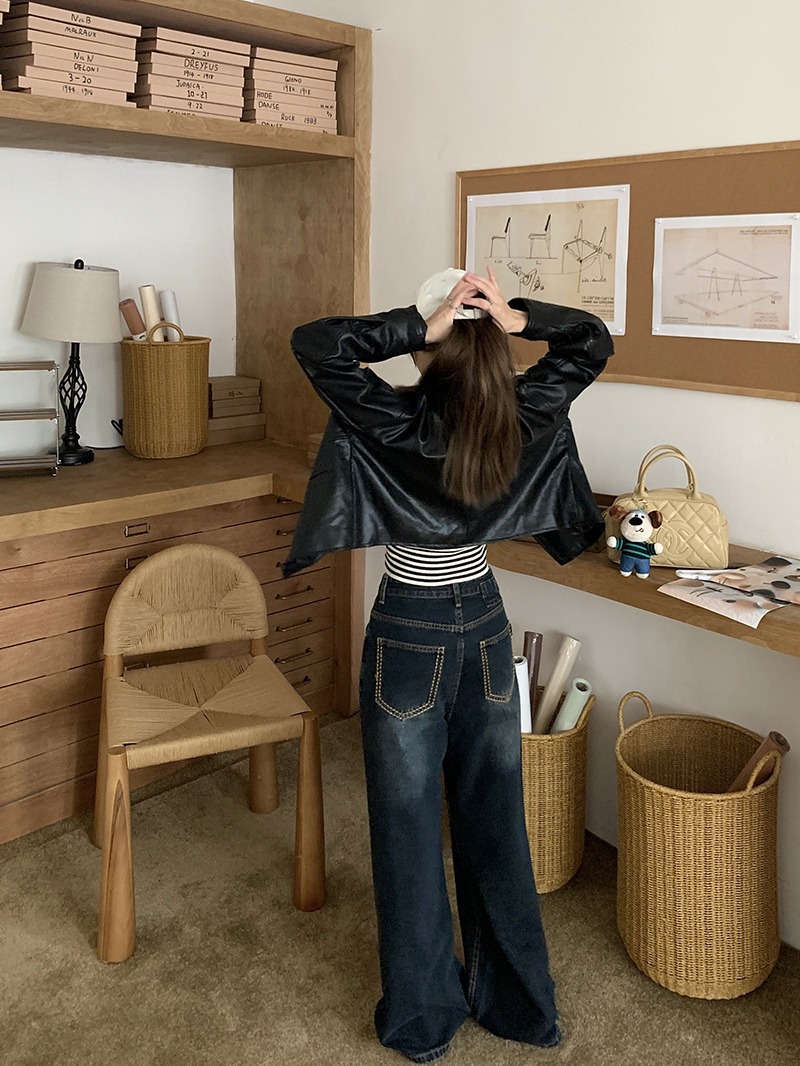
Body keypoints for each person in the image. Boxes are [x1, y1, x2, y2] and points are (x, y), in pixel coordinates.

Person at [285, 266, 613, 1063]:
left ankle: (424, 1020)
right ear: (492, 340)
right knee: (495, 819)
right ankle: (521, 1006)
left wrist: (415, 324)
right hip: (487, 628)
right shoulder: (521, 412)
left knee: (406, 830)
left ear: (430, 342)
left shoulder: (393, 418)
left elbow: (316, 344)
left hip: (410, 628)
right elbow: (590, 342)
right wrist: (518, 317)